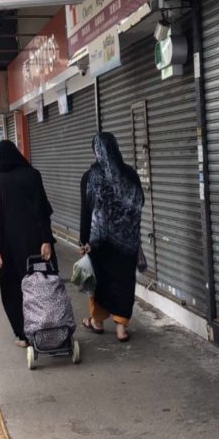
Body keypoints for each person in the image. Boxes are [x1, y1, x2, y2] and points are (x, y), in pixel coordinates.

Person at [0, 140, 55, 347]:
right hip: (36, 243)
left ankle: (23, 334)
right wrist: (46, 240)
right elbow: (43, 210)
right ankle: (48, 327)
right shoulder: (33, 175)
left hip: (9, 246)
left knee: (13, 288)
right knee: (42, 283)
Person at [79, 132, 144, 343]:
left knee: (99, 281)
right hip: (127, 242)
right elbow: (138, 206)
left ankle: (97, 322)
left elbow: (86, 211)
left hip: (100, 242)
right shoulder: (130, 174)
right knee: (124, 281)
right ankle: (121, 329)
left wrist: (84, 240)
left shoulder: (91, 176)